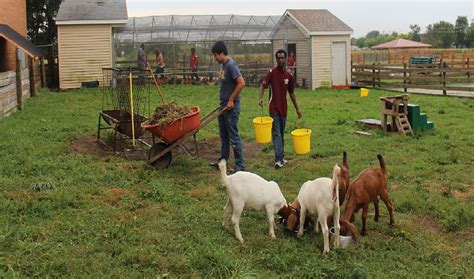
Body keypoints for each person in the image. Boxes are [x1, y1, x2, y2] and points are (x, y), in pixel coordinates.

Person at [259, 49, 302, 169]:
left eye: (282, 58)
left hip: (284, 109)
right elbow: (263, 86)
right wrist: (260, 98)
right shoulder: (271, 73)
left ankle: (281, 157)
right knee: (277, 133)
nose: (280, 60)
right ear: (276, 59)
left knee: (281, 134)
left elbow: (292, 93)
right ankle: (278, 160)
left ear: (286, 59)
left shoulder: (289, 75)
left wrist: (297, 109)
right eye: (278, 58)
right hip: (273, 108)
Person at [210, 41, 246, 173]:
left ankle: (240, 165)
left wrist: (231, 100)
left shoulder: (231, 65)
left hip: (231, 107)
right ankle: (223, 161)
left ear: (220, 53)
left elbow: (241, 83)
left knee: (233, 135)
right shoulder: (224, 65)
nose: (215, 58)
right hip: (223, 105)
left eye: (215, 55)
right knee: (224, 135)